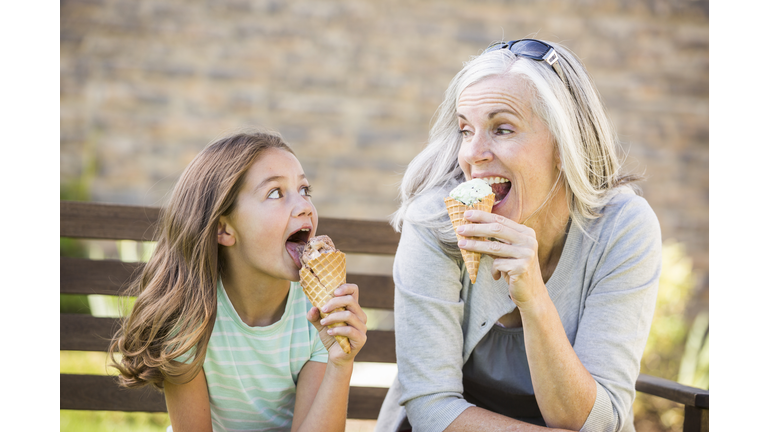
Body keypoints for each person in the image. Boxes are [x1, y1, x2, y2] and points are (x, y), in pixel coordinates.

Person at [375, 39, 662, 432]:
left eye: (502, 129)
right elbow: (431, 408)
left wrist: (534, 297)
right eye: (465, 129)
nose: (473, 154)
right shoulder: (437, 222)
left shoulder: (623, 228)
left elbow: (596, 423)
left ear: (565, 143)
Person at [108, 131, 368, 432]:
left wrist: (340, 363)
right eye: (275, 193)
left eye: (305, 190)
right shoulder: (190, 316)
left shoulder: (317, 314)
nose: (305, 206)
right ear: (224, 228)